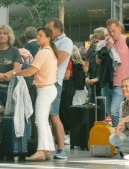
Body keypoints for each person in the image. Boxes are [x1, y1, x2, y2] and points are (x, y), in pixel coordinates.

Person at [2, 27, 58, 161]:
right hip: (49, 88)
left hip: (44, 89)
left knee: (40, 120)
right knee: (43, 121)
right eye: (37, 35)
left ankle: (40, 151)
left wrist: (14, 73)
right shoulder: (49, 51)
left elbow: (31, 71)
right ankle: (46, 150)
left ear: (48, 38)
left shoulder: (43, 52)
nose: (37, 37)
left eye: (40, 35)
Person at [45, 18, 73, 159]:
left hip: (54, 82)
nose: (47, 32)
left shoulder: (65, 42)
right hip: (43, 82)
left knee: (54, 115)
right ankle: (46, 147)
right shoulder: (48, 42)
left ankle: (61, 148)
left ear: (57, 29)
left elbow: (59, 60)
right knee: (44, 116)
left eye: (49, 29)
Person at [85, 28, 105, 103]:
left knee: (102, 107)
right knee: (92, 107)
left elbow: (106, 71)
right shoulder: (93, 54)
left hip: (102, 86)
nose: (96, 44)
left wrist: (97, 79)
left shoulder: (106, 54)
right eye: (94, 42)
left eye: (98, 42)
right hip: (93, 85)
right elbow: (89, 69)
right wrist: (87, 77)